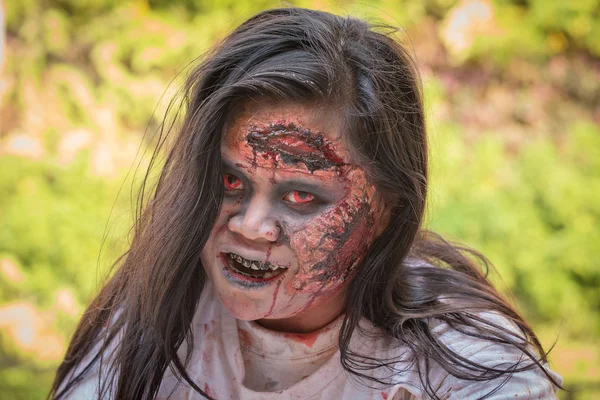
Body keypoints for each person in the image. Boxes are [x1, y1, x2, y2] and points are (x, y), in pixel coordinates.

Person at [50, 8, 562, 400]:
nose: (251, 226)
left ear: (385, 209)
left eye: (300, 195)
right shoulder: (154, 321)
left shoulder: (463, 365)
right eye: (229, 182)